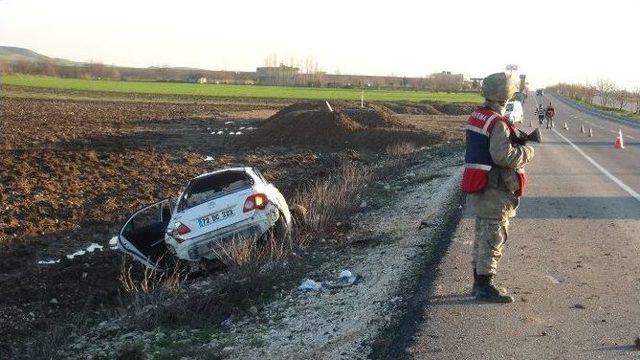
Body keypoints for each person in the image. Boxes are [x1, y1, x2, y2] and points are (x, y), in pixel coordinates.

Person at [461, 72, 535, 303]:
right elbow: (503, 156)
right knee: (494, 235)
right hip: (495, 189)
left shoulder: (478, 116)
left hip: (482, 186)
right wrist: (526, 152)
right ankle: (485, 286)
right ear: (505, 95)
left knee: (483, 234)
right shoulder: (497, 122)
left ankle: (478, 282)